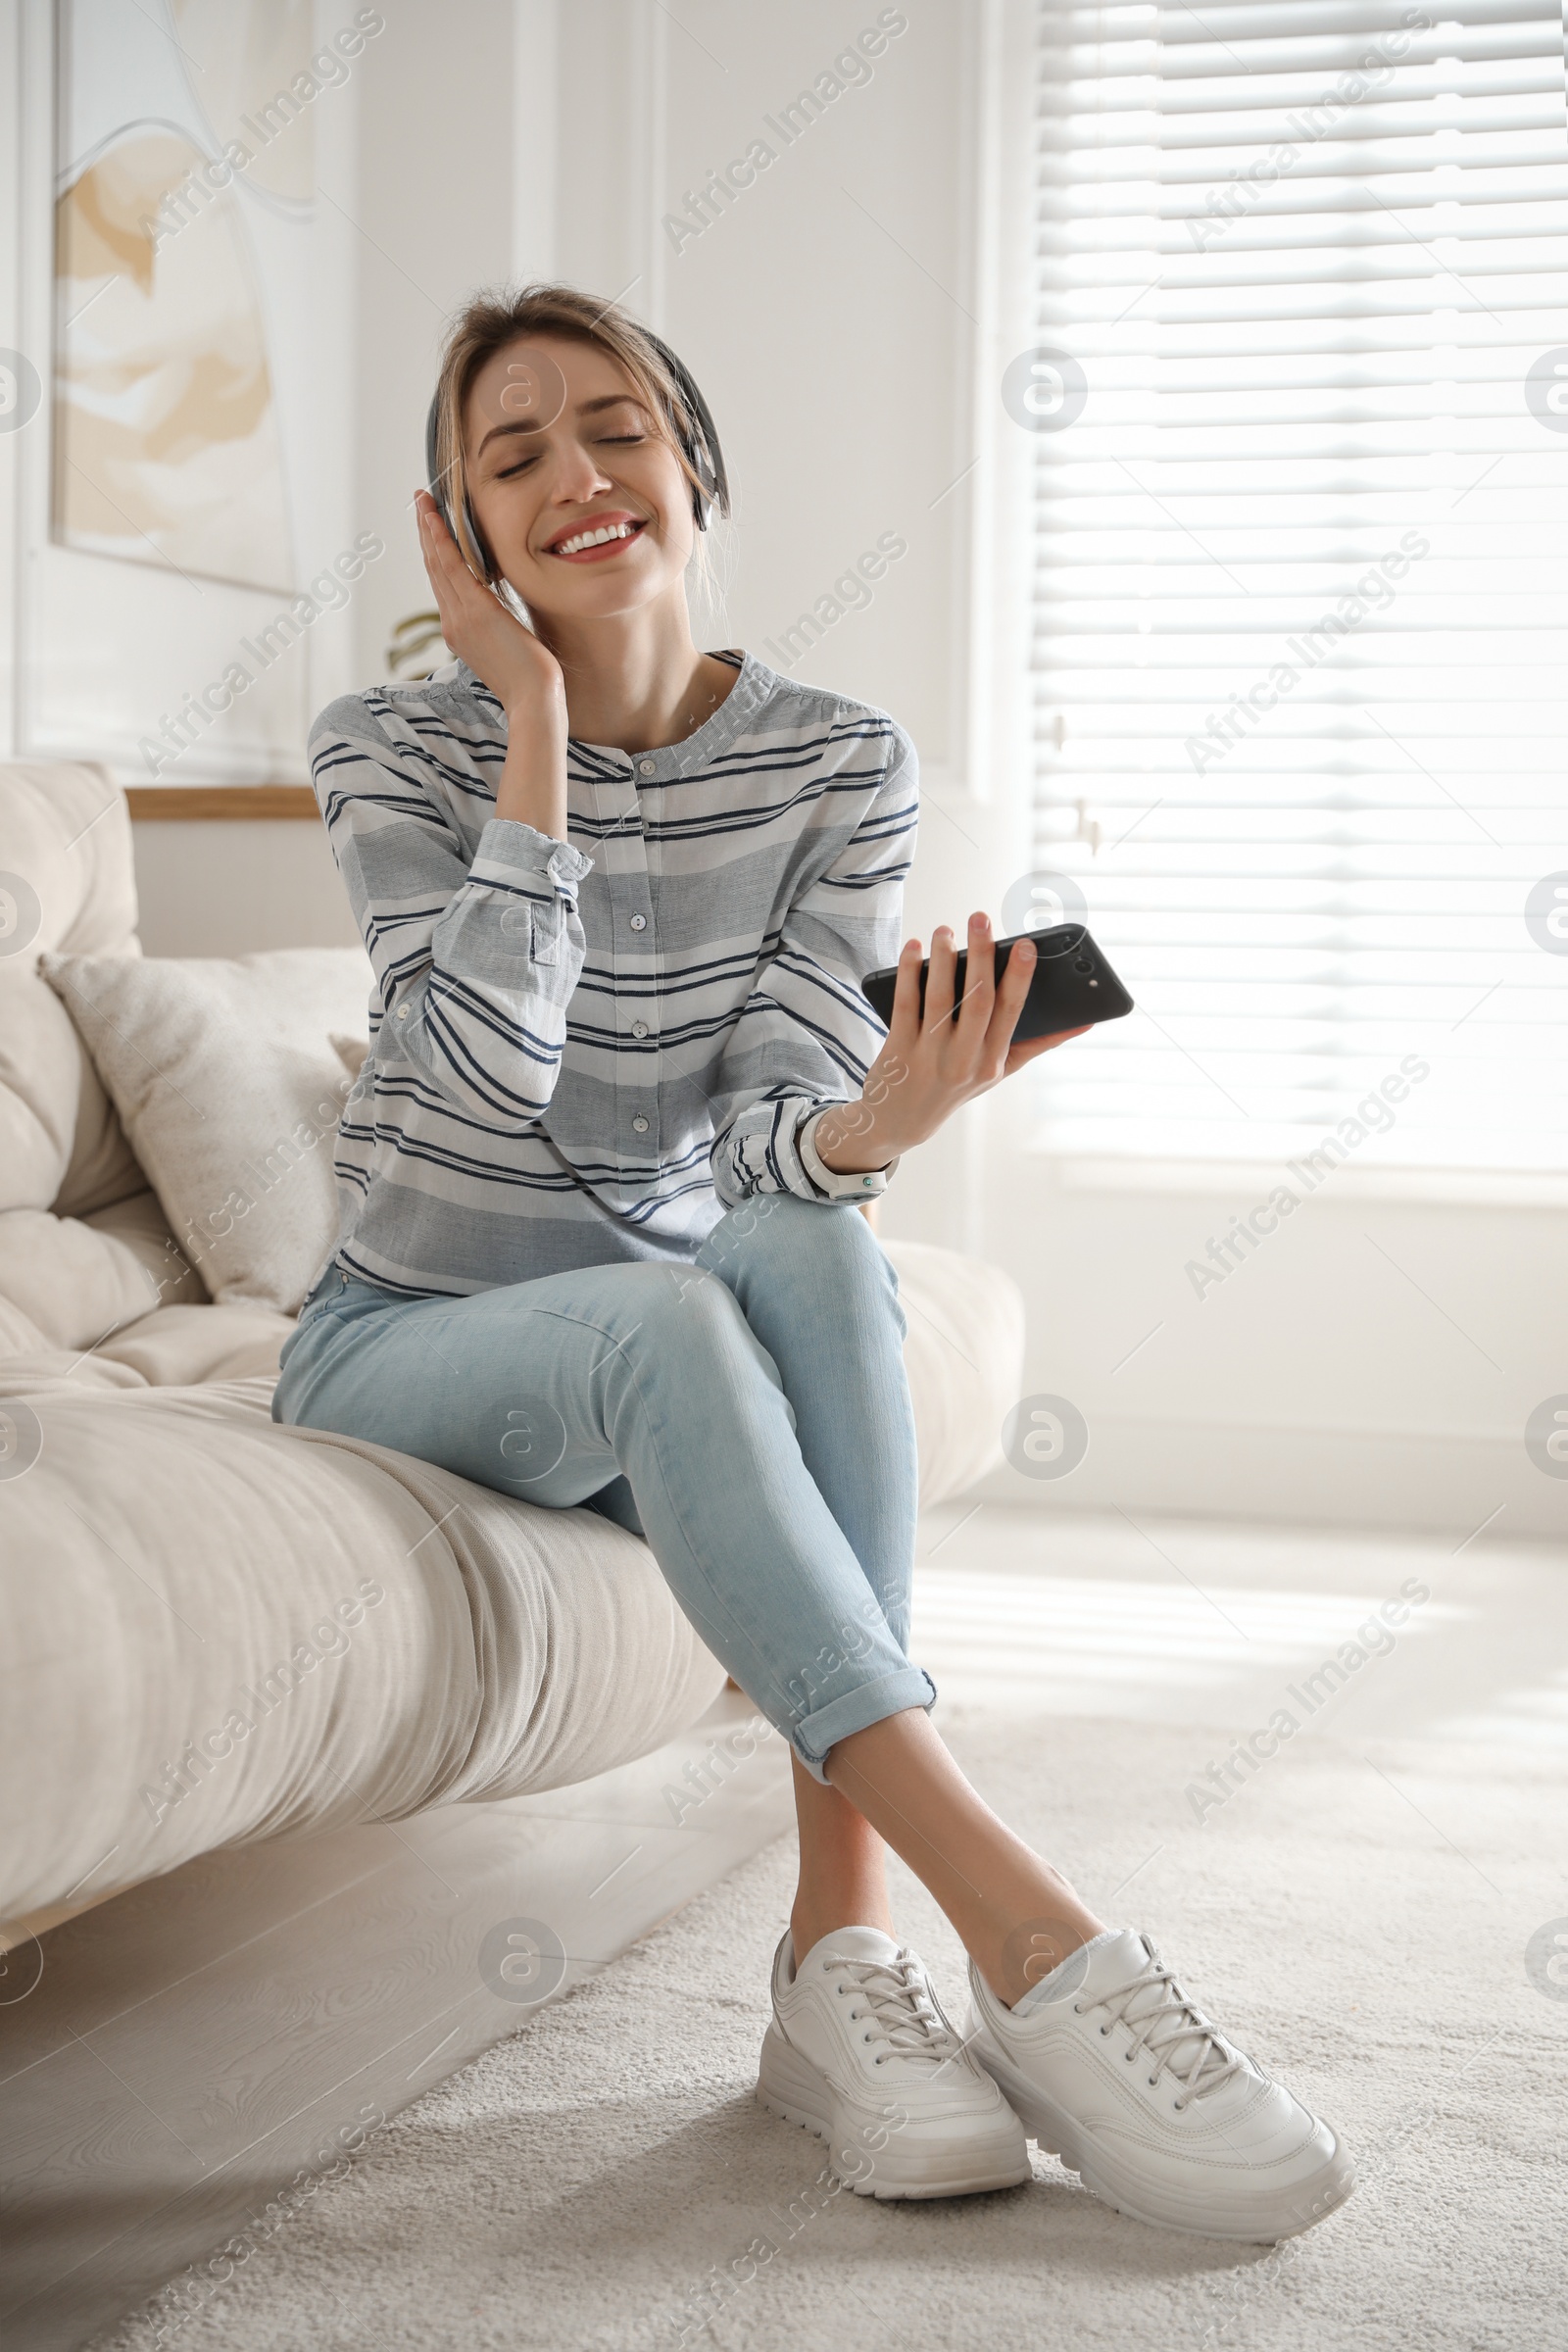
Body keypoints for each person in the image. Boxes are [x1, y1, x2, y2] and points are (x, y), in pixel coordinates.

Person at [274, 283, 1352, 2240]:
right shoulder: (389, 745)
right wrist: (526, 719)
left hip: (665, 1312)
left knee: (811, 1249)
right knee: (677, 1311)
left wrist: (876, 1123)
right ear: (462, 538)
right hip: (411, 1331)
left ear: (690, 459)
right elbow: (479, 1060)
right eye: (509, 457)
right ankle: (1033, 1940)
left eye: (612, 427)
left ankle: (834, 1965)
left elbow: (774, 1133)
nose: (576, 477)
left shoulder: (836, 759)